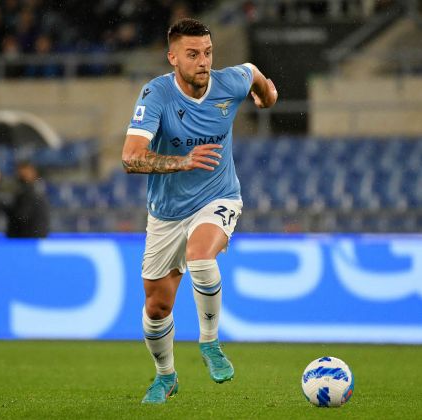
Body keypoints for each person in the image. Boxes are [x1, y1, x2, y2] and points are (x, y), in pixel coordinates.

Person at [121, 18, 277, 404]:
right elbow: (130, 158)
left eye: (207, 52)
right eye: (193, 54)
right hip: (166, 212)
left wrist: (267, 95)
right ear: (173, 57)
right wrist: (182, 161)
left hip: (219, 195)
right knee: (157, 307)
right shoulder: (156, 94)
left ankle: (210, 343)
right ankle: (165, 376)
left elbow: (255, 74)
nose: (203, 61)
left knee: (201, 254)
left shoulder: (230, 82)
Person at [5, 161, 50, 238]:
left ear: (34, 172)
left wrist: (5, 207)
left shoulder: (34, 190)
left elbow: (22, 216)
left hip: (31, 237)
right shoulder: (20, 189)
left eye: (26, 171)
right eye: (20, 172)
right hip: (25, 237)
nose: (23, 175)